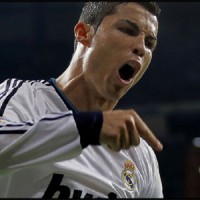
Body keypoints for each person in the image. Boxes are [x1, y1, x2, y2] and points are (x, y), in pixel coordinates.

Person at [0, 1, 164, 198]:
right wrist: (88, 128)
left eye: (149, 44)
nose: (141, 48)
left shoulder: (140, 156)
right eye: (128, 30)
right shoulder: (21, 97)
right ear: (83, 34)